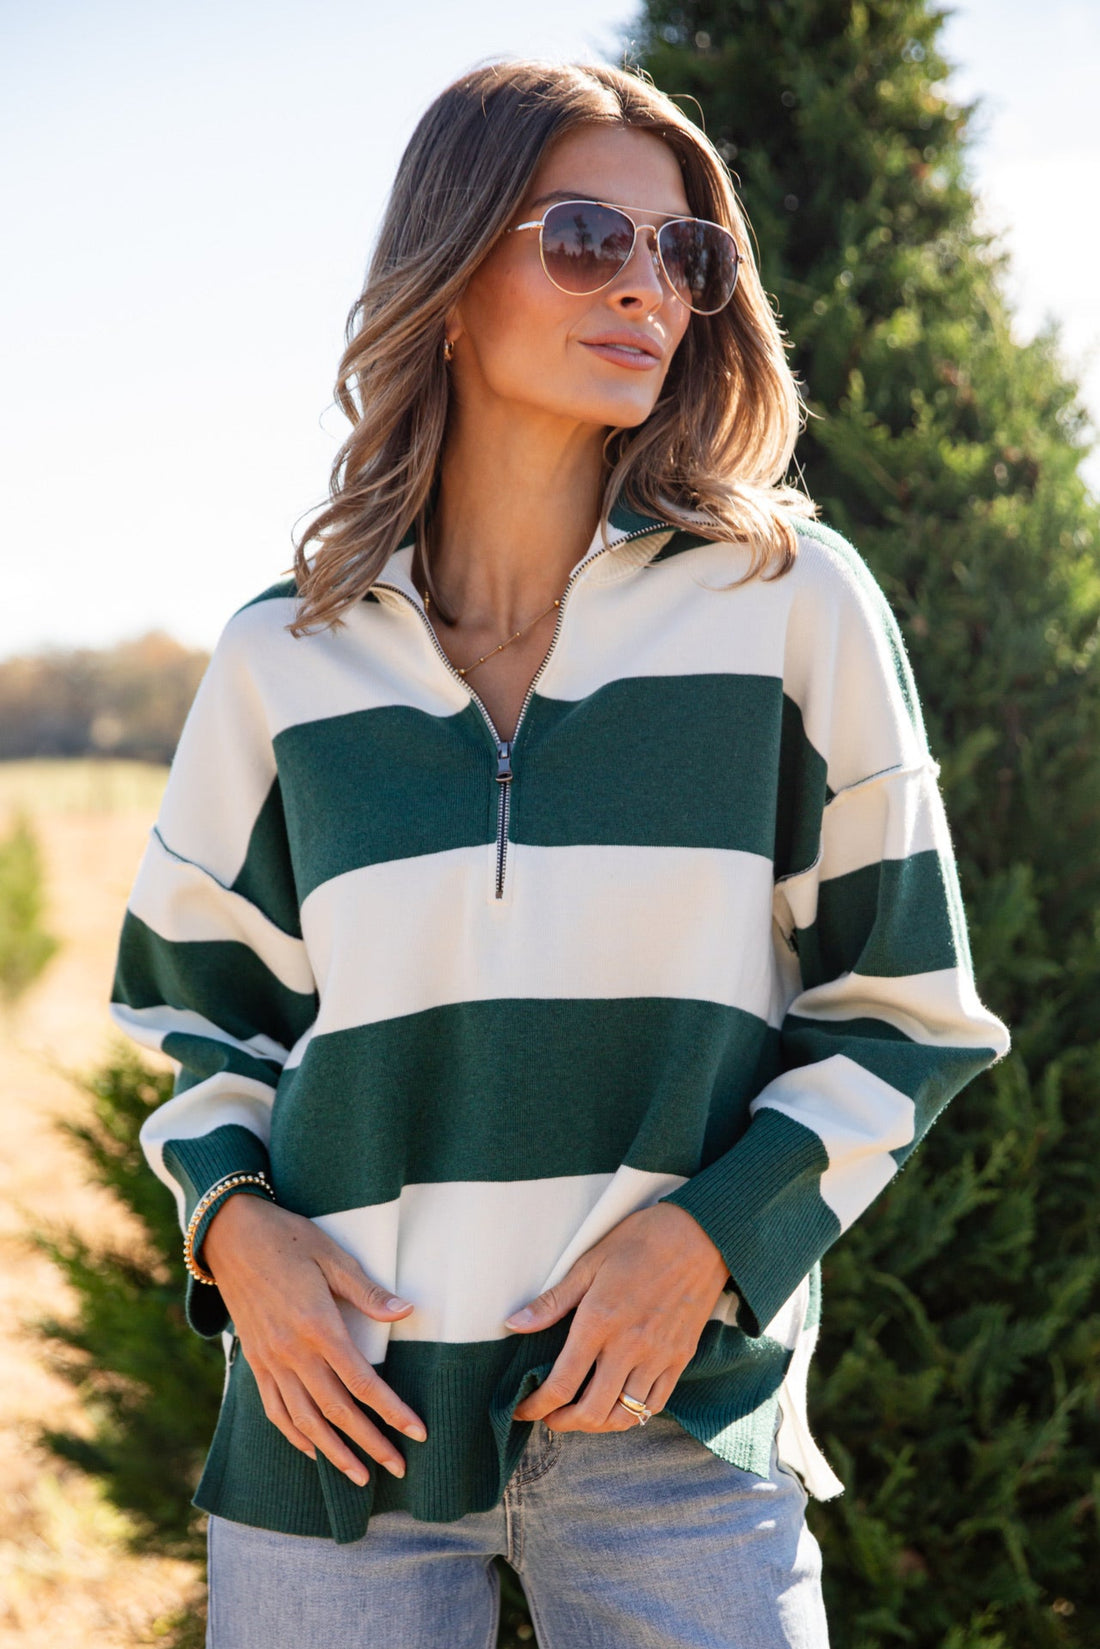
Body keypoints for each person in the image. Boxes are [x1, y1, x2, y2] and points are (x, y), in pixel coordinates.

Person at [110, 57, 1010, 1649]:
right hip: (337, 1430)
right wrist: (236, 1234)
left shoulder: (793, 607)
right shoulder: (286, 659)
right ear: (449, 278)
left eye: (687, 257)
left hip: (671, 1423)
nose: (649, 289)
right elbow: (192, 1019)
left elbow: (906, 1007)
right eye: (589, 238)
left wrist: (709, 1239)